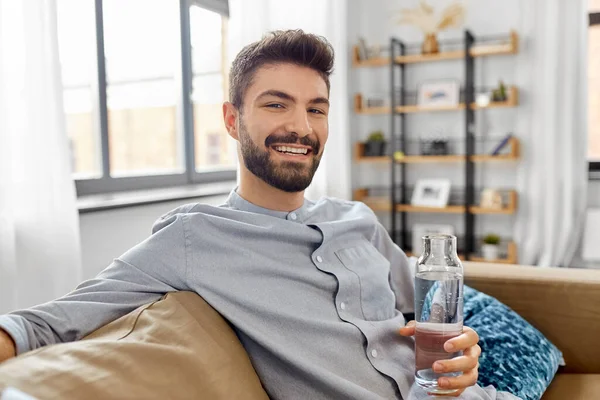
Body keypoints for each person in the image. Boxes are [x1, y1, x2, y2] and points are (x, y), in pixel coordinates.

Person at [0, 30, 517, 400]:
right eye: (277, 105)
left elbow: (421, 318)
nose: (302, 126)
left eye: (316, 108)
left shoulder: (357, 218)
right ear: (232, 119)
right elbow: (43, 323)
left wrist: (460, 356)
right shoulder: (193, 239)